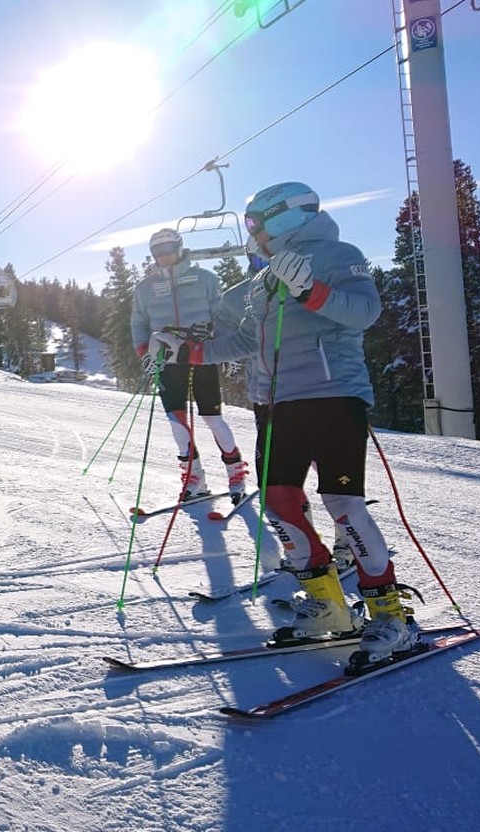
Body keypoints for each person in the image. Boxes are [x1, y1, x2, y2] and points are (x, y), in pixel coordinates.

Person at [152, 181, 418, 666]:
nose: (252, 235)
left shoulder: (339, 254)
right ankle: (329, 606)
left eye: (255, 224)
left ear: (285, 218)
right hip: (274, 405)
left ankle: (390, 615)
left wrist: (311, 291)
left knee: (342, 503)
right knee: (278, 502)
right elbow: (245, 342)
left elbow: (364, 312)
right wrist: (187, 353)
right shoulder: (263, 278)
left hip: (332, 396)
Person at [131, 227, 246, 502]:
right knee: (176, 419)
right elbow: (137, 321)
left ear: (180, 248)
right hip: (167, 359)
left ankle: (235, 472)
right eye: (158, 252)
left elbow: (222, 316)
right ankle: (194, 476)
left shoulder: (205, 279)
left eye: (169, 249)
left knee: (212, 417)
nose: (164, 256)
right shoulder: (144, 289)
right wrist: (144, 352)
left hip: (201, 354)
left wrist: (225, 349)